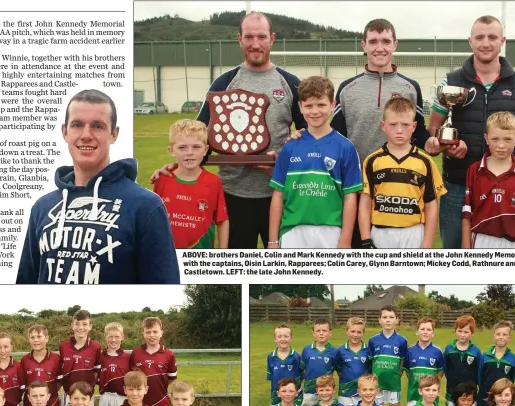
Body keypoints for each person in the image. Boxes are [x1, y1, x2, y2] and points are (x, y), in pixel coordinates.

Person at [152, 12, 306, 248]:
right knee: (235, 267)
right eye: (249, 37)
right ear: (239, 39)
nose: (255, 44)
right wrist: (181, 164)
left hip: (278, 193)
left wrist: (287, 155)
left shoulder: (290, 82)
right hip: (233, 194)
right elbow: (199, 132)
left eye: (262, 37)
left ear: (272, 38)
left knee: (281, 268)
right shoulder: (224, 82)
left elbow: (308, 133)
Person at [17, 89, 179, 283]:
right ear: (64, 132)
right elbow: (26, 280)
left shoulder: (145, 206)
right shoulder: (42, 207)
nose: (86, 135)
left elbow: (163, 283)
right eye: (77, 125)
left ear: (114, 134)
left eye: (97, 126)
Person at [426, 15, 515, 249]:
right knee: (455, 253)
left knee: (499, 254)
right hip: (457, 184)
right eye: (479, 37)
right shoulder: (452, 80)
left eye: (492, 37)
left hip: (506, 187)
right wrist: (447, 146)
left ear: (502, 41)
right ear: (470, 41)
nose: (485, 43)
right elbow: (434, 128)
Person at [331, 18, 430, 248]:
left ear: (395, 44)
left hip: (399, 187)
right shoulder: (348, 87)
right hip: (355, 187)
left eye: (386, 41)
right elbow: (335, 136)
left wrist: (434, 143)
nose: (380, 48)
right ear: (363, 45)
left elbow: (419, 133)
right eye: (373, 41)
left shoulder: (410, 87)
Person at [268, 76, 362, 248]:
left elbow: (350, 197)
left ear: (333, 105)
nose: (315, 111)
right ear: (300, 107)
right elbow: (278, 195)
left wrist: (346, 239)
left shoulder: (346, 148)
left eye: (321, 104)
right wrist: (273, 240)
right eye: (309, 106)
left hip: (331, 231)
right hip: (292, 230)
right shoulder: (290, 147)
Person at [359, 97, 446, 248]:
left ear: (414, 126)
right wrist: (366, 238)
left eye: (405, 125)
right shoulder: (372, 161)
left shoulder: (425, 162)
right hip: (380, 232)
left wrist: (427, 243)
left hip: (413, 233)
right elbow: (365, 203)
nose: (399, 130)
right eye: (393, 124)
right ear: (383, 125)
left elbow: (431, 206)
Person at [462, 112, 515, 248]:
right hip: (481, 242)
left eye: (507, 139)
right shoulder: (474, 170)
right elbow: (467, 216)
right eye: (495, 139)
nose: (501, 145)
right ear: (486, 138)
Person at [154, 119, 229, 248]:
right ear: (171, 150)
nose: (190, 152)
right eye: (182, 147)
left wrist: (223, 253)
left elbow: (222, 220)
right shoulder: (162, 179)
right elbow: (153, 220)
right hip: (168, 258)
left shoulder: (213, 182)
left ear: (205, 150)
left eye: (196, 147)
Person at [367, 305, 407, 406]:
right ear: (379, 320)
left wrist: (396, 375)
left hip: (393, 385)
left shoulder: (402, 341)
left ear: (397, 320)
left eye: (391, 317)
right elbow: (370, 364)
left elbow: (402, 363)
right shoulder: (373, 340)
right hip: (377, 387)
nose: (388, 320)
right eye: (385, 317)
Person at [131, 317, 178, 406]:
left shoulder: (169, 355)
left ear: (161, 333)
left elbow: (171, 378)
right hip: (139, 402)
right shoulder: (135, 353)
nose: (152, 335)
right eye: (148, 332)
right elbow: (131, 378)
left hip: (160, 401)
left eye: (155, 332)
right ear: (143, 334)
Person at [59, 309, 102, 406]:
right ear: (72, 326)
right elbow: (62, 370)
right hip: (69, 394)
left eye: (84, 324)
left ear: (90, 326)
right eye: (77, 324)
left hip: (86, 394)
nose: (81, 327)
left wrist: (89, 390)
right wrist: (67, 389)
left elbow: (96, 371)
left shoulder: (96, 347)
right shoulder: (63, 346)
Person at [476, 320, 515, 406]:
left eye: (504, 334)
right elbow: (480, 378)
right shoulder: (485, 357)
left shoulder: (513, 358)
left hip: (503, 402)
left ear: (509, 338)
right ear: (494, 336)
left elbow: (511, 380)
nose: (501, 337)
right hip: (485, 400)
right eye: (498, 334)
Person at [404, 317, 444, 406]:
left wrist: (432, 384)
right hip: (413, 395)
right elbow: (408, 373)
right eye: (422, 329)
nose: (425, 332)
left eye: (429, 329)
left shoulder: (438, 352)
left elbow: (440, 373)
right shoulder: (410, 351)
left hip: (431, 397)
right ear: (417, 332)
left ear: (433, 333)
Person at [443, 315, 481, 406]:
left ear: (472, 333)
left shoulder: (476, 351)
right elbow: (446, 370)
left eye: (466, 332)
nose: (462, 335)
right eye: (459, 331)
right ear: (455, 330)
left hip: (470, 395)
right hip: (452, 393)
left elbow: (479, 373)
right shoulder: (449, 349)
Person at [20, 324, 61, 406]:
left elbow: (60, 381)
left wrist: (48, 394)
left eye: (39, 336)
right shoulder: (25, 360)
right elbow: (23, 383)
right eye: (32, 337)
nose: (35, 340)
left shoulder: (56, 358)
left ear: (47, 338)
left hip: (51, 405)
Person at [98, 322, 132, 406]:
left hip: (123, 398)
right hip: (105, 397)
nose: (113, 340)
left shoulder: (128, 357)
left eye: (117, 336)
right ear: (105, 337)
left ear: (122, 337)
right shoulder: (100, 357)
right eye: (110, 336)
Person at [335, 317, 371, 406]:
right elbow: (339, 371)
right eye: (352, 331)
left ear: (363, 333)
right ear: (347, 331)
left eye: (359, 332)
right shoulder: (340, 351)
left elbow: (370, 370)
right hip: (345, 394)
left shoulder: (368, 350)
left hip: (364, 393)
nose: (355, 335)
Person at [301, 318, 338, 406]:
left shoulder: (334, 351)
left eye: (324, 330)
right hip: (310, 391)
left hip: (327, 391)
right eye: (318, 331)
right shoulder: (307, 350)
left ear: (330, 333)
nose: (321, 333)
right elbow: (302, 370)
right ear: (313, 333)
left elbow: (340, 372)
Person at [266, 324, 304, 406]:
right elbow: (271, 377)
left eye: (286, 336)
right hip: (277, 395)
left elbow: (302, 376)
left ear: (291, 338)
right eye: (279, 336)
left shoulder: (297, 356)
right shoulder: (271, 357)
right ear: (275, 339)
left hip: (295, 395)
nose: (283, 339)